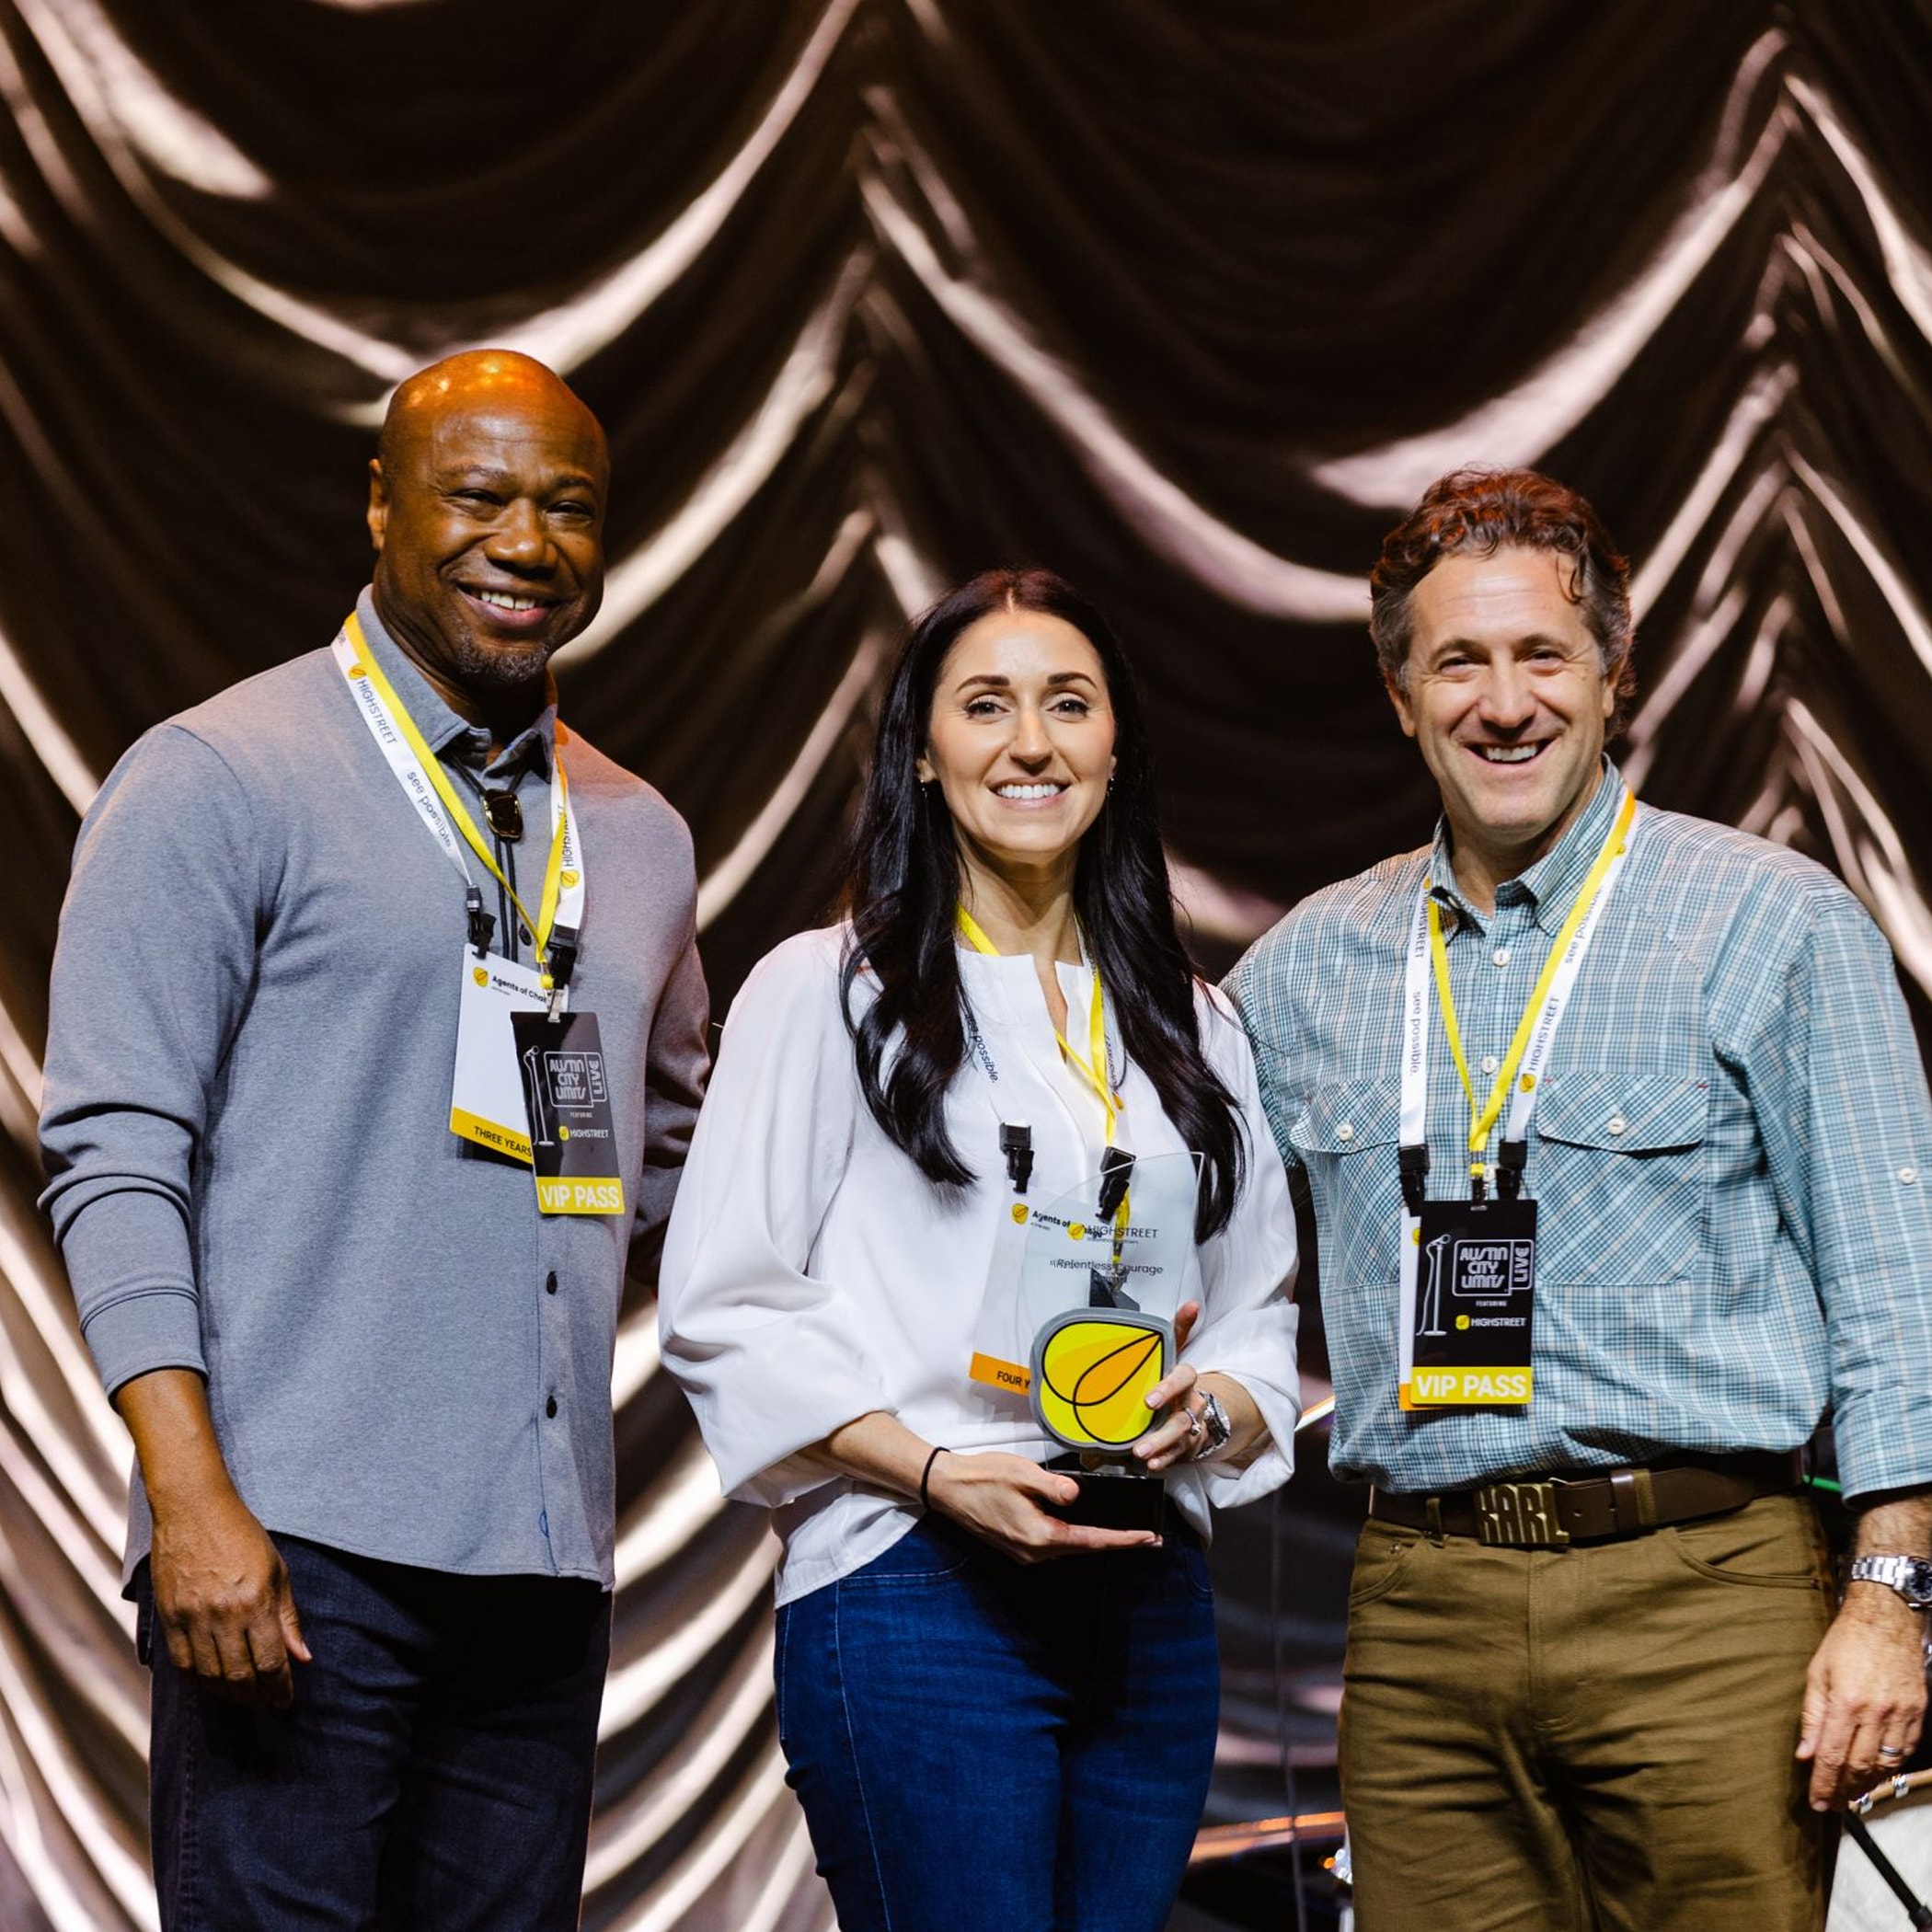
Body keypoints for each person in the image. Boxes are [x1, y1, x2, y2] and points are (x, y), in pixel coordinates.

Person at [39, 350, 709, 1930]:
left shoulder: (639, 834)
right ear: (382, 507)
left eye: (567, 508)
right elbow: (116, 1154)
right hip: (287, 1555)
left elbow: (685, 1161)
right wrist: (191, 1506)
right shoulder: (218, 777)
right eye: (476, 495)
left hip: (541, 1571)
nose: (524, 543)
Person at [1225, 466, 1932, 1932]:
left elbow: (1897, 1288)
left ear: (1616, 672)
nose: (1504, 702)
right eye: (1457, 662)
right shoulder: (1305, 968)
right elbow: (1155, 1189)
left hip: (1706, 1594)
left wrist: (1891, 1601)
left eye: (1542, 654)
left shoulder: (1774, 922)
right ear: (1399, 696)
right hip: (1424, 1609)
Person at [658, 569, 1299, 1932]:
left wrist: (1219, 1407)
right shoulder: (828, 992)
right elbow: (727, 1306)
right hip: (917, 1579)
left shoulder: (1194, 1024)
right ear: (926, 753)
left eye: (1069, 704)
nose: (1030, 743)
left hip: (1145, 1587)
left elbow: (1258, 1313)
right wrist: (943, 1472)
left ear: (1115, 749)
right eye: (985, 705)